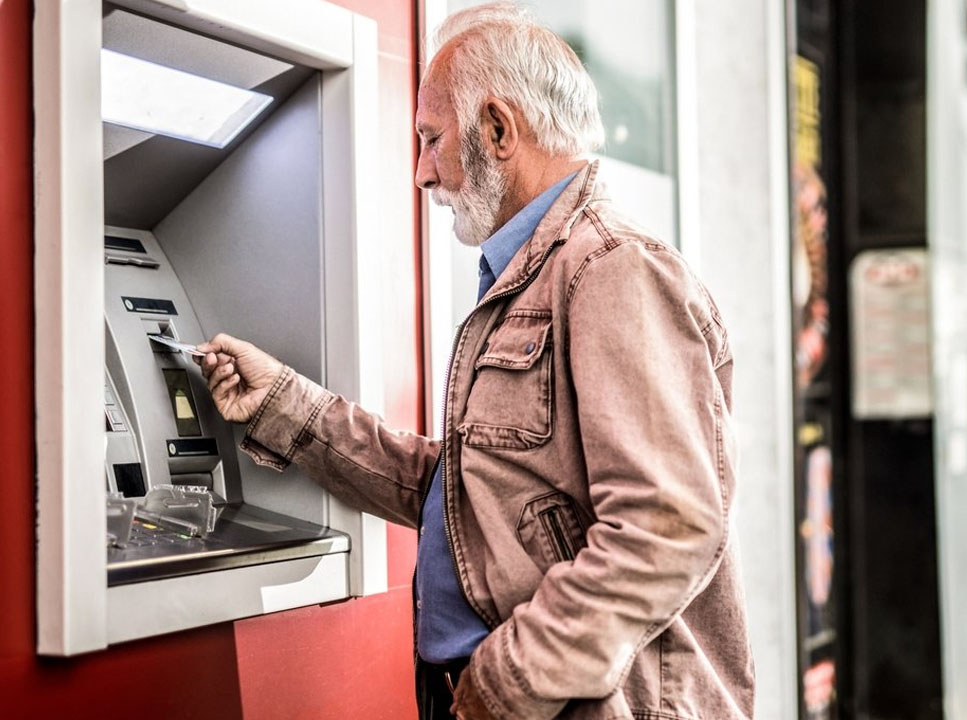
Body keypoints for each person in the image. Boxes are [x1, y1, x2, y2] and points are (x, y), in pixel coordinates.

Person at [198, 4, 753, 718]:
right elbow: (471, 493)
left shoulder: (610, 271)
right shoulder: (531, 273)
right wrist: (285, 405)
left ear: (497, 130)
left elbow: (667, 527)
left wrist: (505, 684)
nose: (422, 173)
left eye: (432, 140)